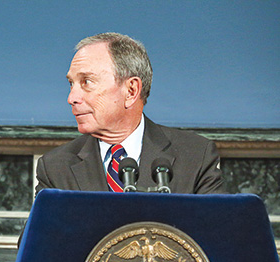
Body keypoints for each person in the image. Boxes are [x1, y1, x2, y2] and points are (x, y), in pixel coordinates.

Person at [36, 32, 225, 194]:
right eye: (71, 84)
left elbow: (218, 233)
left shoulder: (196, 156)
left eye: (86, 81)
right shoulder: (55, 167)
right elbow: (36, 237)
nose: (72, 97)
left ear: (131, 91)